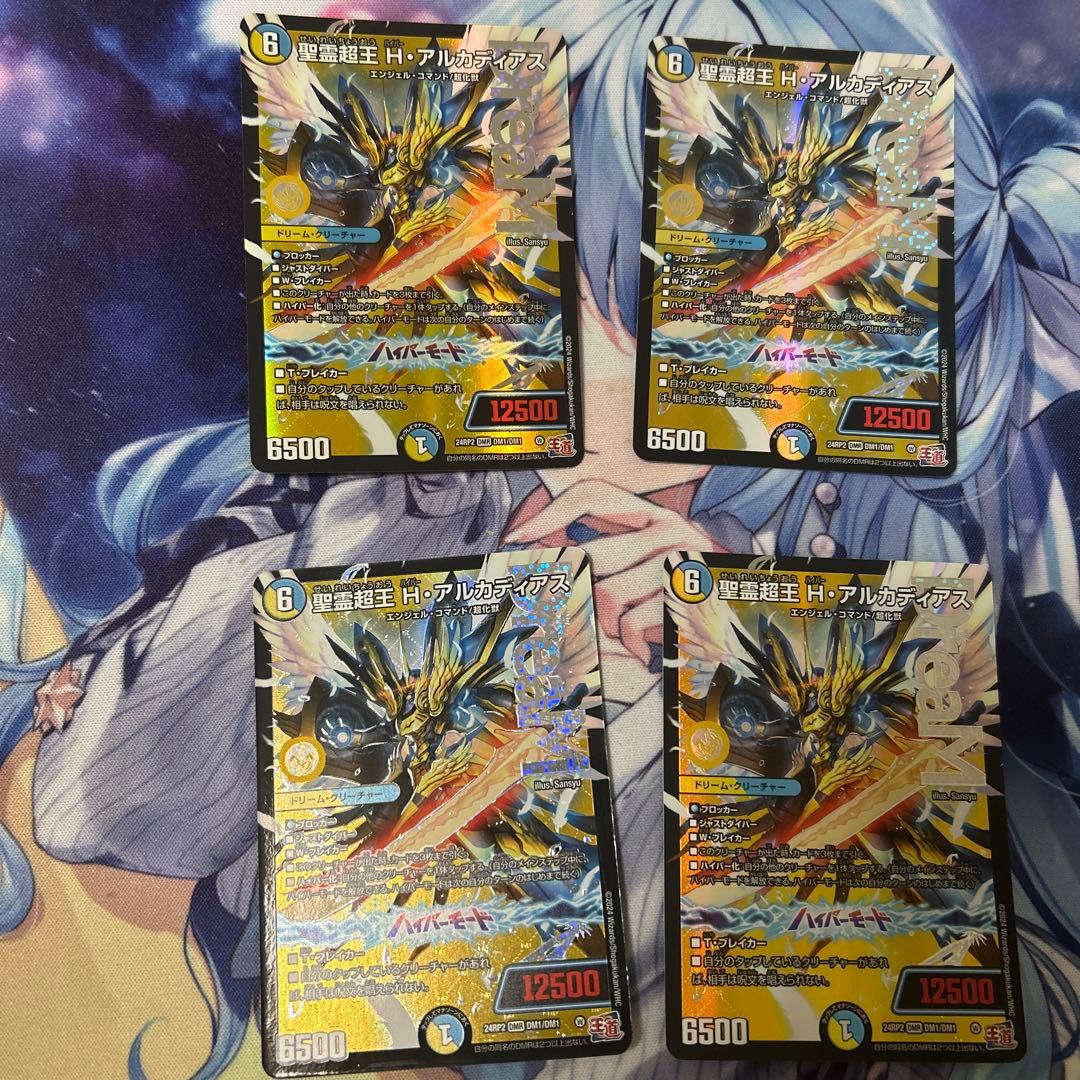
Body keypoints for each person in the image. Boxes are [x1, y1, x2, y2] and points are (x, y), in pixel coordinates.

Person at [2, 0, 1077, 1077]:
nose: (583, 355)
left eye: (661, 300)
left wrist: (761, 685)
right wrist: (396, 550)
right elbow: (104, 807)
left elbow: (963, 1000)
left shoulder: (887, 561)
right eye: (529, 273)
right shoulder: (397, 491)